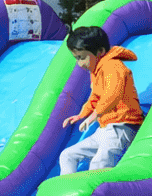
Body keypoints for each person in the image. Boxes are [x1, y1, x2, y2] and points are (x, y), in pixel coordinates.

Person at [58, 25, 144, 174]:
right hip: (106, 129)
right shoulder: (96, 70)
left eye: (82, 57)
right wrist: (81, 115)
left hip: (123, 127)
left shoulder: (113, 66)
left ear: (100, 52)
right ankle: (65, 190)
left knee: (99, 164)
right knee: (67, 155)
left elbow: (113, 94)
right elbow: (95, 96)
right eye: (76, 58)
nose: (80, 63)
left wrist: (94, 115)